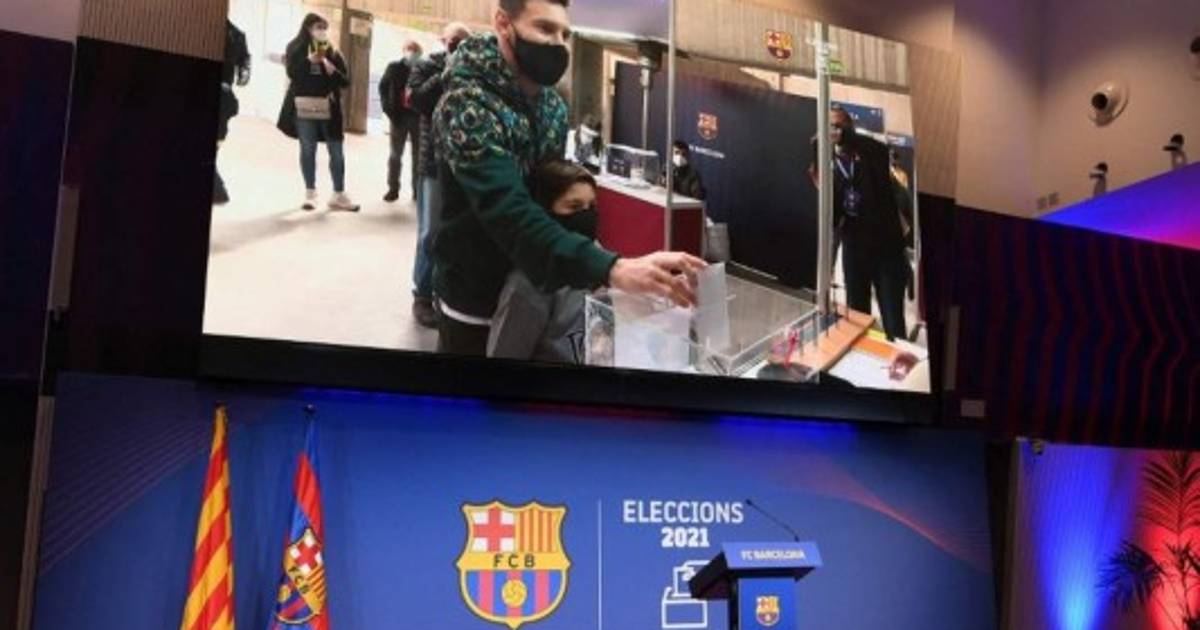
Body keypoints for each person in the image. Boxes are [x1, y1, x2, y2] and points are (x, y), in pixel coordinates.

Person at [433, 0, 706, 356]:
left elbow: (551, 199)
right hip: (476, 300)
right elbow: (509, 211)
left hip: (535, 288)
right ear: (503, 24)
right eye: (544, 28)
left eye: (565, 34)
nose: (558, 44)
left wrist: (610, 261)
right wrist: (611, 268)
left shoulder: (552, 107)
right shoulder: (467, 104)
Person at [809, 106, 907, 340]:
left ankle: (900, 360)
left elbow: (874, 151)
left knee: (893, 321)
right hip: (855, 248)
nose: (833, 131)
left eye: (837, 126)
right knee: (857, 317)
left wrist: (843, 135)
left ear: (849, 128)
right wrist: (821, 183)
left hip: (887, 250)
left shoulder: (873, 152)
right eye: (828, 127)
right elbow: (834, 216)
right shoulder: (830, 164)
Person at [488, 161, 598, 363]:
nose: (586, 215)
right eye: (574, 207)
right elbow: (505, 356)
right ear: (544, 212)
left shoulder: (596, 262)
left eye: (591, 206)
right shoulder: (529, 284)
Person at [405, 22, 472, 329]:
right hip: (433, 163)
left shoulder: (474, 71)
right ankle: (421, 294)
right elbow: (418, 100)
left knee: (452, 232)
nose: (456, 46)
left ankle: (443, 292)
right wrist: (448, 69)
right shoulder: (426, 66)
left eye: (462, 42)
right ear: (442, 41)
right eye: (452, 41)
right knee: (430, 232)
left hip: (463, 165)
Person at [277, 13, 359, 212]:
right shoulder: (295, 47)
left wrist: (332, 70)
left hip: (330, 108)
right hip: (304, 106)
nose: (322, 31)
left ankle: (338, 194)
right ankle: (310, 193)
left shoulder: (333, 51)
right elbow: (292, 73)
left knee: (336, 151)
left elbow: (346, 81)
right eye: (318, 27)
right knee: (308, 148)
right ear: (308, 28)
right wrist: (308, 60)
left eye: (324, 28)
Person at [380, 40, 423, 202]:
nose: (412, 53)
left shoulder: (424, 69)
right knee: (395, 155)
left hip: (418, 117)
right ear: (404, 51)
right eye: (409, 49)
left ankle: (417, 191)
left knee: (418, 157)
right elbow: (383, 88)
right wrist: (388, 109)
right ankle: (393, 189)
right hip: (398, 117)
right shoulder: (394, 68)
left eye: (415, 50)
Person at [213, 20, 250, 206]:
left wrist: (244, 72)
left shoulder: (237, 34)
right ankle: (217, 187)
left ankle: (217, 187)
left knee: (218, 138)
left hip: (224, 94)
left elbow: (244, 59)